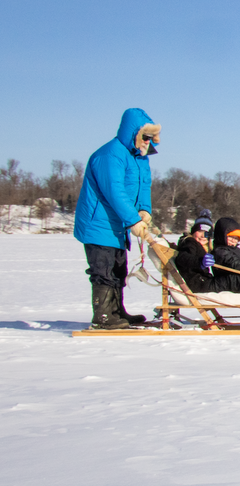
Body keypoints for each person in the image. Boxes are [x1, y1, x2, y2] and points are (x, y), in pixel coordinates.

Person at [73, 108, 162, 329]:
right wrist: (132, 220)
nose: (147, 142)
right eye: (145, 136)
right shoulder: (109, 155)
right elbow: (115, 191)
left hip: (117, 226)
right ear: (132, 132)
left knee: (118, 270)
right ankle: (103, 316)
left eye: (151, 138)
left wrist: (144, 210)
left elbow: (143, 186)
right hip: (98, 224)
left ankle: (116, 312)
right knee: (103, 271)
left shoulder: (140, 158)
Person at [173, 210, 218, 293]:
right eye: (200, 231)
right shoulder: (190, 242)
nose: (203, 236)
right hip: (196, 284)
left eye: (206, 233)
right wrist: (200, 262)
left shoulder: (203, 247)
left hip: (201, 282)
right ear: (193, 231)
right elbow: (183, 257)